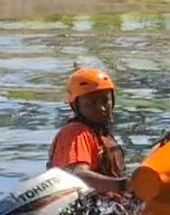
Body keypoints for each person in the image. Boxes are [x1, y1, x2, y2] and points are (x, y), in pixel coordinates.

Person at [48, 67, 128, 196]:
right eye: (92, 103)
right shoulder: (76, 133)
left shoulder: (101, 133)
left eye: (105, 100)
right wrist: (124, 185)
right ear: (75, 106)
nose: (102, 108)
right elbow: (77, 175)